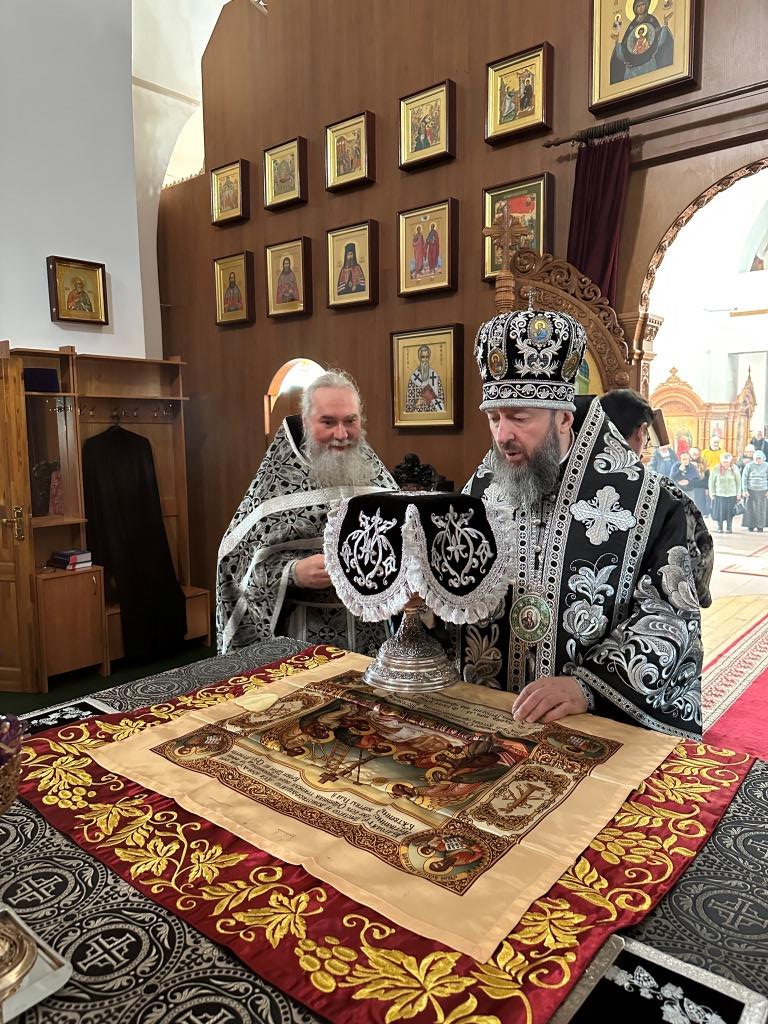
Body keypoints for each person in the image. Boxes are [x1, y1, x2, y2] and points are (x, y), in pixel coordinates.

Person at [459, 306, 702, 739]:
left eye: (519, 417)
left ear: (564, 418)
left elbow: (670, 617)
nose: (502, 436)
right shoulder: (480, 490)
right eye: (494, 418)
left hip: (586, 727)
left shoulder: (651, 503)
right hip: (486, 718)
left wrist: (588, 686)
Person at [216, 370, 396, 654]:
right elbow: (235, 565)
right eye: (328, 422)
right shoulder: (277, 480)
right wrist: (292, 573)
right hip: (302, 636)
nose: (341, 434)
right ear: (306, 421)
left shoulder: (375, 476)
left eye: (350, 421)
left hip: (373, 634)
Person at [600, 389, 712, 608]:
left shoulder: (561, 483)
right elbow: (697, 560)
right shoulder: (663, 492)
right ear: (642, 432)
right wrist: (702, 593)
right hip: (642, 618)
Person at [610, 0, 674, 85]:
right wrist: (617, 42)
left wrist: (665, 24)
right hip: (633, 62)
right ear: (635, 9)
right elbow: (626, 44)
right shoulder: (632, 25)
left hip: (648, 57)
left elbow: (657, 35)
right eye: (638, 6)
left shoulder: (651, 19)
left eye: (642, 4)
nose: (640, 7)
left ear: (647, 5)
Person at [405, 345, 446, 413]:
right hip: (418, 415)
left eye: (427, 357)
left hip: (433, 414)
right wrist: (416, 404)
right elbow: (408, 406)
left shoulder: (435, 376)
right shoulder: (413, 378)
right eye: (423, 357)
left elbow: (442, 400)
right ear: (419, 358)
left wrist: (432, 401)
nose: (425, 360)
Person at [709, 453, 741, 534]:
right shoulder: (715, 469)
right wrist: (712, 493)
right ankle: (720, 526)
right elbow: (711, 482)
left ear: (730, 462)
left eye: (727, 462)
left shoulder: (734, 468)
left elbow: (738, 482)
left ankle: (729, 527)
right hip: (719, 494)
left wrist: (738, 493)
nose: (725, 464)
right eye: (724, 462)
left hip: (731, 494)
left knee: (730, 512)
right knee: (720, 512)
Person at [742, 450, 768, 532]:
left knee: (761, 510)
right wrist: (745, 490)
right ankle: (750, 525)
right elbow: (744, 478)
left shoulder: (766, 465)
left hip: (763, 490)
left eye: (759, 458)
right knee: (750, 509)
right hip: (751, 490)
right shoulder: (749, 465)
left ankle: (760, 526)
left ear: (763, 458)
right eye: (756, 458)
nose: (758, 460)